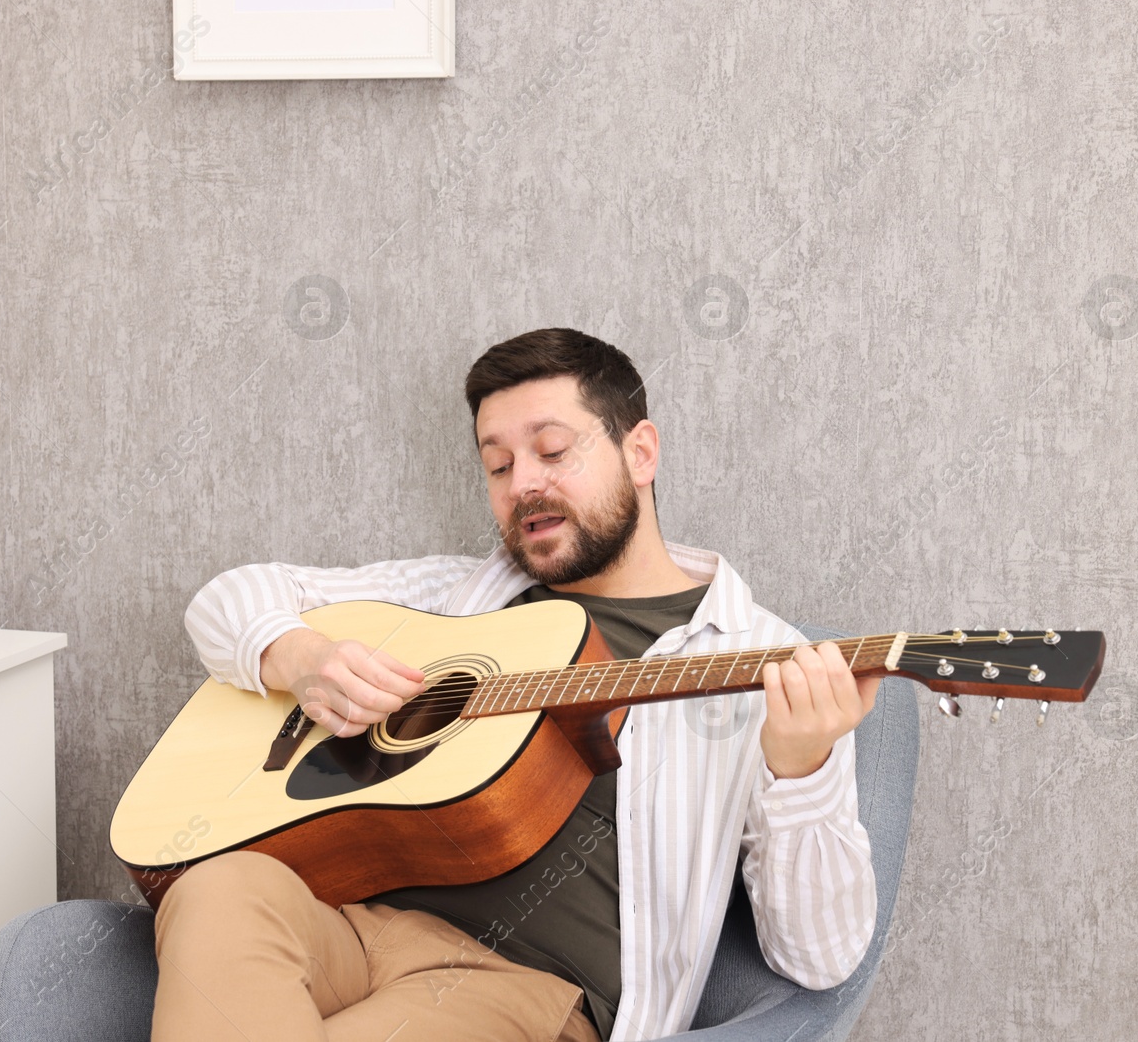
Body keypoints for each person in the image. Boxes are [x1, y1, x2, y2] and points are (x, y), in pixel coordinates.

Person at [155, 327, 879, 1042]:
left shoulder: (768, 659)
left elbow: (820, 959)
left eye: (553, 450)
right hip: (345, 922)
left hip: (518, 986)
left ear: (641, 452)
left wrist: (801, 768)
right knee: (215, 886)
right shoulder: (451, 594)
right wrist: (299, 655)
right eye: (497, 465)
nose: (522, 482)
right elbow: (229, 597)